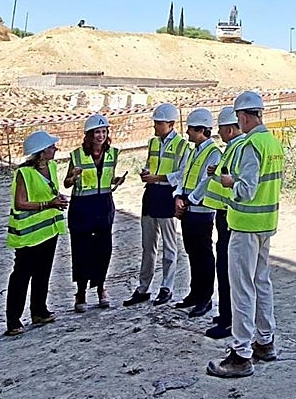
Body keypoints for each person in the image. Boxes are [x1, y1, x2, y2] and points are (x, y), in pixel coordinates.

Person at [207, 91, 283, 379]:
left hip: (246, 226)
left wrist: (229, 182)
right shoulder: (273, 142)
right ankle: (265, 342)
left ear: (245, 116)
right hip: (265, 223)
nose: (239, 124)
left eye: (239, 119)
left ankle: (241, 354)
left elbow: (247, 188)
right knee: (262, 283)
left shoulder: (251, 145)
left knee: (242, 289)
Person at [124, 103, 189, 307]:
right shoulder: (153, 143)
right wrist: (146, 173)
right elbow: (150, 164)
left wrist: (157, 177)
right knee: (147, 246)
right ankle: (143, 288)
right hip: (151, 195)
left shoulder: (182, 145)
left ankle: (166, 287)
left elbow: (182, 174)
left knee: (169, 246)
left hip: (167, 194)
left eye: (158, 123)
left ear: (170, 124)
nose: (154, 126)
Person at [5, 131, 68, 335]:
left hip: (49, 229)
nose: (54, 150)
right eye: (51, 148)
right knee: (22, 275)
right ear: (40, 153)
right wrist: (47, 204)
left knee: (43, 272)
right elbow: (20, 203)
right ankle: (13, 319)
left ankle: (39, 310)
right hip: (29, 234)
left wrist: (57, 199)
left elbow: (49, 191)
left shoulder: (51, 167)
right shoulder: (24, 173)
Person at [65, 113, 125, 311]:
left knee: (103, 249)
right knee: (82, 250)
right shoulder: (76, 155)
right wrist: (73, 177)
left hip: (104, 205)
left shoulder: (113, 154)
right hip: (82, 207)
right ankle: (81, 292)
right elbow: (67, 183)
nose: (100, 135)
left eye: (103, 131)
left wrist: (114, 180)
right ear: (89, 135)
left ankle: (100, 288)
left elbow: (105, 178)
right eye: (96, 132)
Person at [199, 106, 243, 340]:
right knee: (225, 270)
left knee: (227, 272)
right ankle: (226, 315)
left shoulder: (236, 149)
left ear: (228, 129)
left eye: (221, 129)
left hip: (229, 217)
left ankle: (228, 320)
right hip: (224, 216)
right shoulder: (232, 149)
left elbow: (232, 180)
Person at [172, 108, 221, 315]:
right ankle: (195, 293)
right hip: (189, 210)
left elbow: (205, 183)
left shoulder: (214, 153)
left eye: (191, 129)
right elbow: (185, 176)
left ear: (201, 130)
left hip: (201, 212)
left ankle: (205, 297)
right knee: (193, 253)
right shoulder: (194, 151)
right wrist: (179, 196)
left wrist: (188, 201)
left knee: (203, 256)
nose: (188, 133)